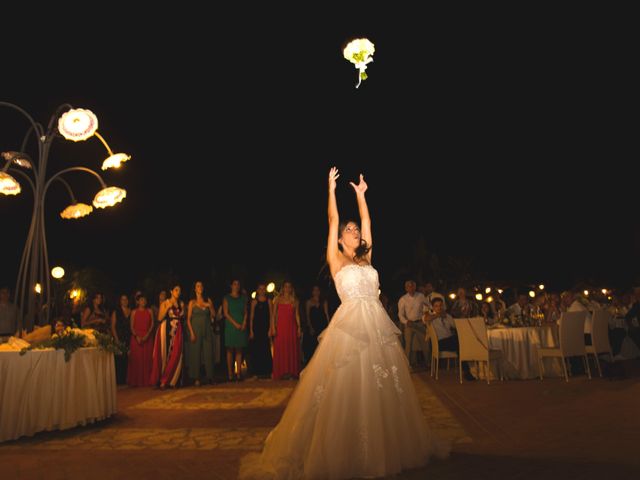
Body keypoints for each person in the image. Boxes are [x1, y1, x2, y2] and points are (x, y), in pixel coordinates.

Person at [240, 168, 447, 479]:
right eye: (348, 229)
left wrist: (362, 196)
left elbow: (369, 224)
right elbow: (332, 220)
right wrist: (331, 190)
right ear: (339, 239)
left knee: (381, 386)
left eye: (355, 229)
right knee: (345, 385)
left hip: (376, 324)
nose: (354, 230)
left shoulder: (367, 258)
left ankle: (383, 447)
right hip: (349, 325)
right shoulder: (337, 259)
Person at [150, 284, 185, 389]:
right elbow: (160, 318)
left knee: (176, 354)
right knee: (164, 354)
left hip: (177, 330)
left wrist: (183, 313)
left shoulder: (181, 303)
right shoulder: (165, 303)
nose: (178, 292)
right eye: (176, 290)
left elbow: (183, 316)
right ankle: (162, 381)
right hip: (166, 329)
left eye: (179, 290)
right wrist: (167, 308)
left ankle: (172, 380)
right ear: (171, 291)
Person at [186, 281, 216, 386]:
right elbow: (188, 319)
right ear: (195, 289)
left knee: (209, 352)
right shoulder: (192, 302)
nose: (200, 287)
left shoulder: (208, 300)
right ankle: (196, 377)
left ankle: (210, 377)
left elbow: (213, 314)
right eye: (198, 286)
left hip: (206, 328)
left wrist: (209, 305)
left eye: (201, 286)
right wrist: (191, 333)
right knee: (195, 353)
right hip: (195, 329)